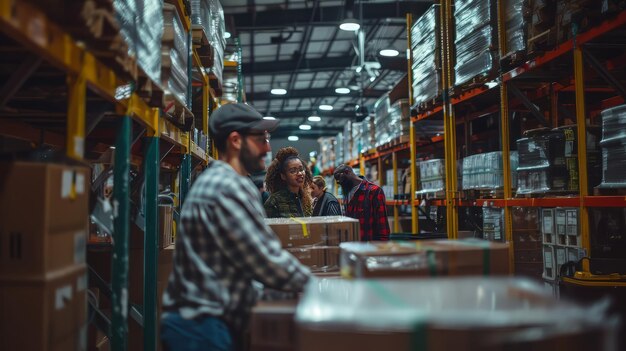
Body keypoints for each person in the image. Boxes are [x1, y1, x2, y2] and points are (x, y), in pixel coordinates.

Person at [161, 103, 311, 351]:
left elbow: (238, 265)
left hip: (206, 324)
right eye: (260, 139)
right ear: (236, 140)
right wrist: (320, 289)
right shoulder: (226, 188)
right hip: (201, 330)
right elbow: (264, 259)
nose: (267, 148)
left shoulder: (227, 182)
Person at [333, 164, 390, 241]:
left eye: (343, 181)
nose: (342, 185)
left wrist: (382, 246)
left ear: (348, 172)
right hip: (352, 245)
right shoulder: (347, 193)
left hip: (369, 246)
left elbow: (382, 223)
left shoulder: (374, 191)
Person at [264, 147, 313, 218]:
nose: (299, 173)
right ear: (283, 176)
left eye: (301, 169)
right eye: (293, 171)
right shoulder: (274, 202)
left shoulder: (306, 199)